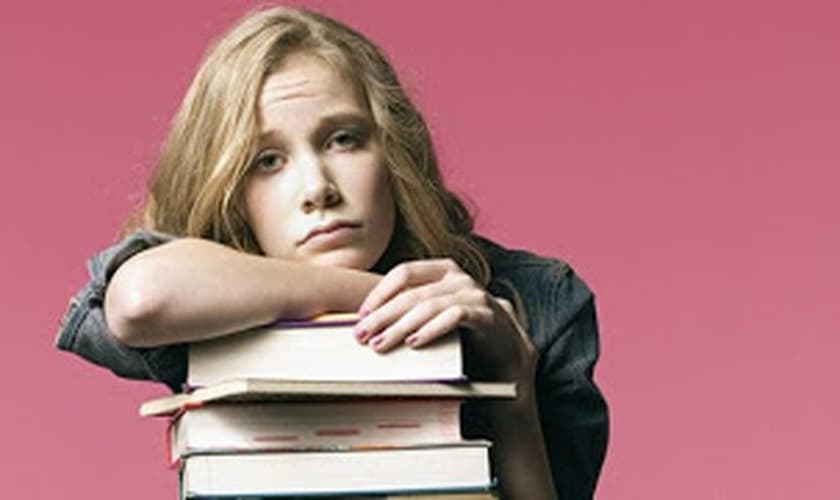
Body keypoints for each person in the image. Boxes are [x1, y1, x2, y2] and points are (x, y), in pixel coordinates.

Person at [55, 6, 608, 499]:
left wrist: (512, 383)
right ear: (231, 194)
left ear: (394, 151)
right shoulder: (210, 299)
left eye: (343, 138)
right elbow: (140, 301)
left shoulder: (538, 300)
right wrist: (378, 295)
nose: (317, 189)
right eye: (267, 161)